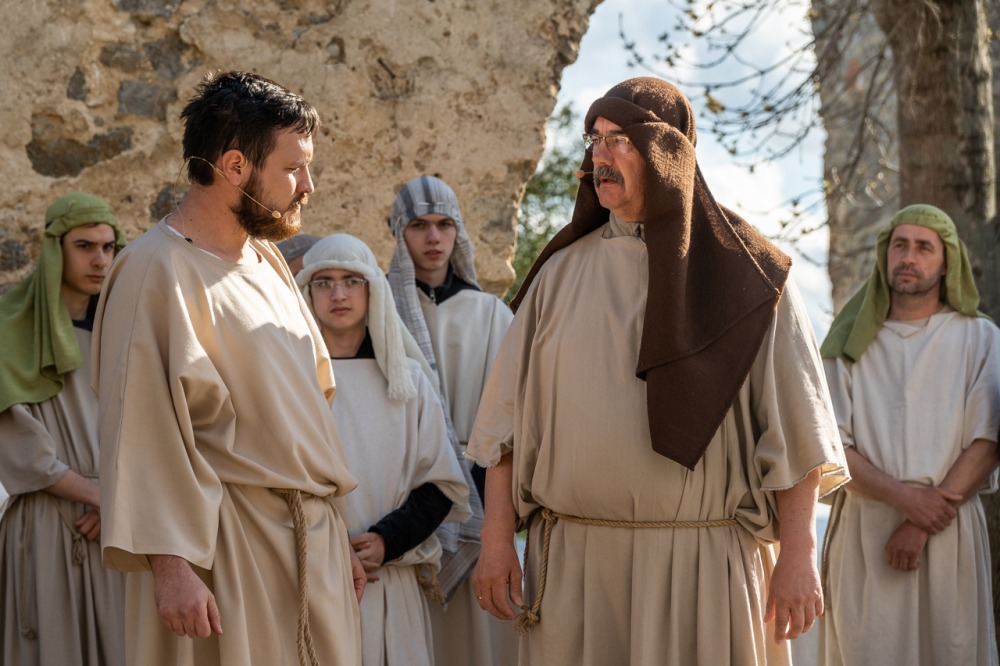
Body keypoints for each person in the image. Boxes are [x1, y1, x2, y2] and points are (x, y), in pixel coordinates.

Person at [467, 77, 849, 666]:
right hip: (576, 572)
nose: (599, 155)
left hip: (706, 568)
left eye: (619, 139)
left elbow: (799, 432)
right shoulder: (557, 275)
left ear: (666, 151)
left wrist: (800, 554)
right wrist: (496, 541)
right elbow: (505, 430)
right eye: (594, 139)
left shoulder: (750, 276)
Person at [92, 71, 364, 666]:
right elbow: (139, 428)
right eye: (294, 169)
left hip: (312, 546)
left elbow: (308, 417)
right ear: (235, 166)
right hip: (227, 550)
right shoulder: (154, 270)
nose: (308, 186)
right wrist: (171, 567)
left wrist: (336, 535)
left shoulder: (267, 259)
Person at [819, 204, 1000, 665]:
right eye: (899, 245)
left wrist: (921, 520)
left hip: (947, 531)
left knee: (952, 651)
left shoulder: (980, 339)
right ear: (885, 255)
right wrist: (905, 499)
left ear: (947, 262)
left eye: (923, 248)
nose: (908, 258)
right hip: (867, 534)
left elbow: (989, 440)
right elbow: (831, 446)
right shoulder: (847, 344)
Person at [297, 233, 471, 665]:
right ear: (306, 293)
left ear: (372, 289)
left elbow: (440, 487)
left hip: (388, 581)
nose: (338, 294)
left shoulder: (408, 382)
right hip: (308, 580)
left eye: (351, 281)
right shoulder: (289, 382)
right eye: (324, 282)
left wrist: (385, 540)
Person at [387, 174, 517, 666]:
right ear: (400, 232)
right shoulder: (380, 312)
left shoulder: (491, 314)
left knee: (475, 640)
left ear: (458, 231)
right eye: (419, 225)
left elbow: (510, 420)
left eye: (444, 225)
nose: (433, 237)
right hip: (402, 495)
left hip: (478, 492)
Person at [0, 192, 127, 665]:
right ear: (56, 249)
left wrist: (121, 501)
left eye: (108, 247)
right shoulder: (9, 331)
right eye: (84, 246)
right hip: (50, 524)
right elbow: (22, 451)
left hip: (115, 527)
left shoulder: (124, 330)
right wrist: (107, 498)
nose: (100, 260)